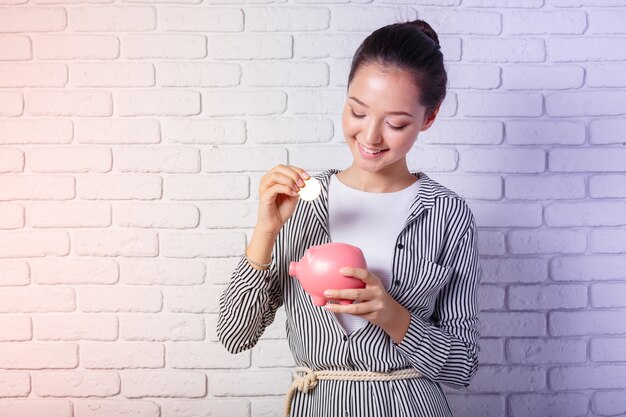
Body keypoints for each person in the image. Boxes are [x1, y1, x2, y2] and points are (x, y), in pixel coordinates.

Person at [218, 19, 481, 417]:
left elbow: (463, 366)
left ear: (428, 118)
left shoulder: (447, 214)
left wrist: (394, 317)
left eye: (396, 123)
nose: (371, 137)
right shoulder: (305, 201)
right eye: (358, 112)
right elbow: (235, 335)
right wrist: (266, 230)